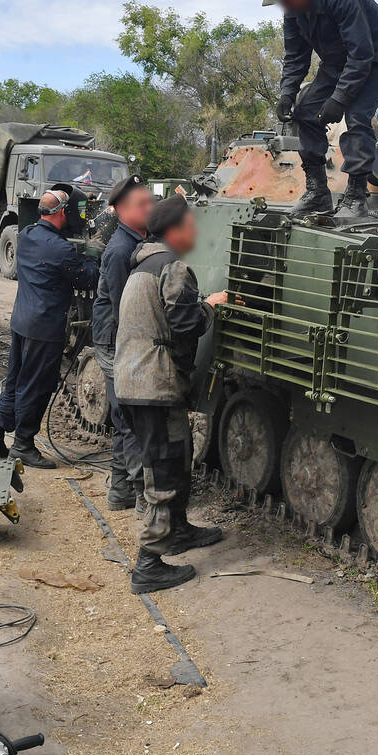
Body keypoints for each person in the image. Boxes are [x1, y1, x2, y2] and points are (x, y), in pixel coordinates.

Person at [114, 195, 228, 593]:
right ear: (176, 230)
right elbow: (184, 323)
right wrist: (211, 307)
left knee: (176, 460)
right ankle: (148, 565)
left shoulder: (142, 265)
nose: (196, 233)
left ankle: (177, 532)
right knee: (163, 469)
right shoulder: (172, 267)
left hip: (137, 382)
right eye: (191, 226)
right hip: (154, 384)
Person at [260, 0, 378, 219]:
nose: (284, 4)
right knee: (305, 110)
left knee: (357, 114)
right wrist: (286, 93)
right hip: (338, 62)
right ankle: (318, 194)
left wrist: (339, 98)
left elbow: (361, 54)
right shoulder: (293, 12)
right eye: (279, 0)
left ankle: (356, 197)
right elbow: (295, 57)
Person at [0, 187, 100, 469]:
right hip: (44, 328)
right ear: (61, 213)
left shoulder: (27, 235)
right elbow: (86, 279)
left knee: (16, 380)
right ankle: (22, 445)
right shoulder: (61, 249)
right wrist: (93, 253)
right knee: (36, 386)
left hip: (22, 321)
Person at [91, 175, 154, 511]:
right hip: (115, 340)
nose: (150, 207)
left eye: (149, 201)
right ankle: (145, 497)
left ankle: (120, 491)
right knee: (130, 416)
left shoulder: (139, 239)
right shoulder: (119, 250)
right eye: (142, 204)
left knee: (123, 415)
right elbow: (123, 307)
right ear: (124, 211)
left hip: (119, 338)